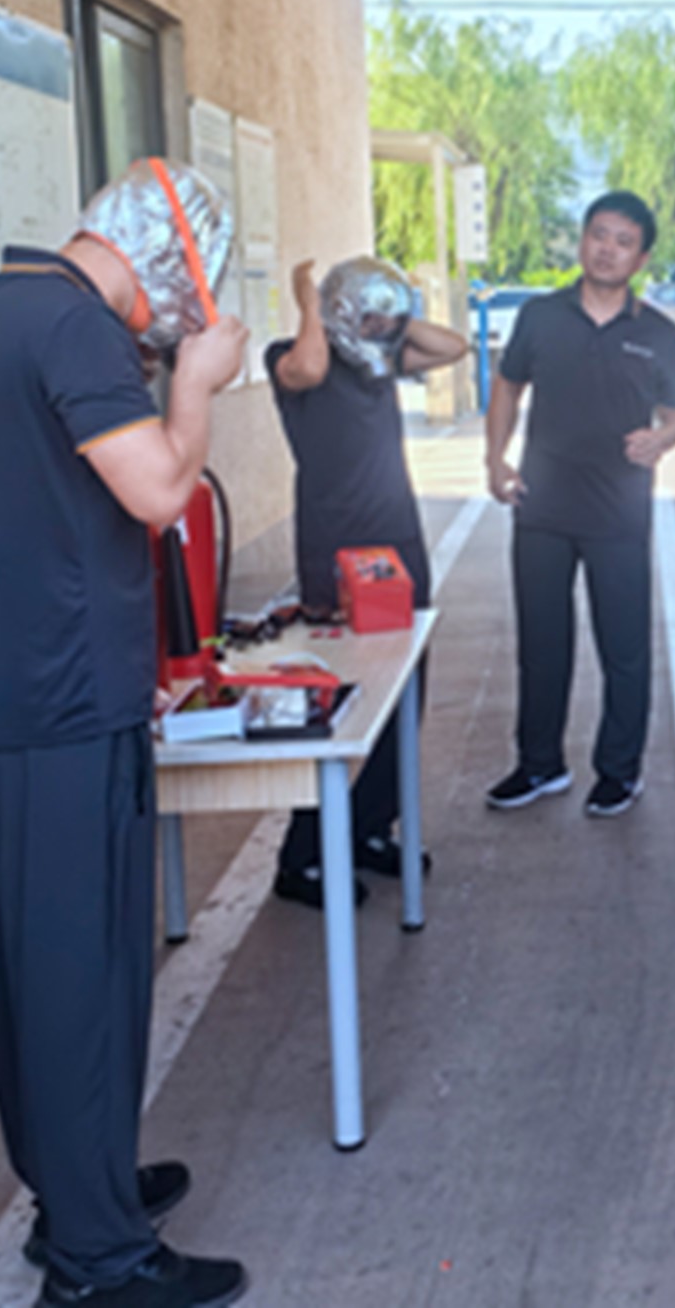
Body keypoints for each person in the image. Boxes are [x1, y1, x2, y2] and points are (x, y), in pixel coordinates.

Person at [0, 159, 249, 1308]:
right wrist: (199, 383)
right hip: (59, 709)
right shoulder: (74, 331)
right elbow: (161, 491)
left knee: (30, 978)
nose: (186, 318)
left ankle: (80, 1189)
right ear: (159, 260)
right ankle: (101, 1262)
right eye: (189, 292)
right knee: (82, 978)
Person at [267, 256, 469, 909]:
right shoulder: (296, 359)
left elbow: (454, 346)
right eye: (367, 310)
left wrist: (395, 315)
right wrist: (309, 301)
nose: (381, 325)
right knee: (337, 702)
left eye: (387, 313)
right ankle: (301, 858)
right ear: (336, 309)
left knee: (404, 695)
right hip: (335, 552)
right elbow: (310, 367)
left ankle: (367, 828)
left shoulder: (378, 362)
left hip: (398, 547)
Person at [484, 192, 675, 817]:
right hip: (541, 502)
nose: (608, 248)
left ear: (642, 256)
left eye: (623, 241)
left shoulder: (658, 333)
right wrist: (495, 460)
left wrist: (663, 439)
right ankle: (539, 764)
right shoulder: (541, 317)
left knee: (623, 646)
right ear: (582, 241)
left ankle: (619, 771)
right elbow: (507, 387)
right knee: (541, 643)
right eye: (599, 235)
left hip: (619, 510)